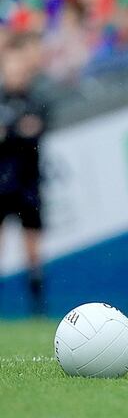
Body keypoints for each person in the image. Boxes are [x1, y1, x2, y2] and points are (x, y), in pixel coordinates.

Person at [0, 35, 48, 316]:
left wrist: (12, 132)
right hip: (2, 184)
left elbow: (36, 132)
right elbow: (23, 133)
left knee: (33, 249)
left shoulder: (36, 99)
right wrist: (19, 131)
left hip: (29, 182)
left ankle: (37, 306)